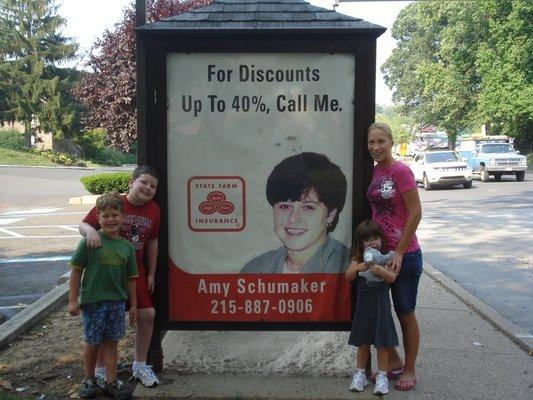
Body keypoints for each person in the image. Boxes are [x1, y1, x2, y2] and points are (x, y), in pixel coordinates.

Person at [79, 165, 160, 387]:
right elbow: (84, 224)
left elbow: (152, 241)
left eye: (153, 186)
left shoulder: (153, 209)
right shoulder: (116, 203)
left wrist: (152, 272)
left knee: (147, 314)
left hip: (135, 271)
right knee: (103, 321)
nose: (148, 188)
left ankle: (140, 364)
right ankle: (100, 371)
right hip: (106, 271)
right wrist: (92, 231)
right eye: (143, 182)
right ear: (131, 183)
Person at [366, 122, 423, 391]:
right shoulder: (376, 172)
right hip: (378, 256)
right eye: (371, 142)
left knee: (405, 312)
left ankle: (410, 369)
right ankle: (396, 361)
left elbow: (415, 213)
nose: (376, 147)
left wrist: (399, 251)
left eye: (381, 142)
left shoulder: (401, 171)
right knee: (380, 313)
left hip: (405, 255)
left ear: (391, 142)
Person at [69, 192, 137, 399]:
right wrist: (73, 300)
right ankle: (90, 379)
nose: (110, 219)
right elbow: (76, 271)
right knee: (93, 342)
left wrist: (133, 305)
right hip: (93, 302)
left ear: (122, 217)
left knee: (112, 342)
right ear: (97, 218)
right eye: (105, 215)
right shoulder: (90, 241)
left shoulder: (126, 246)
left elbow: (131, 279)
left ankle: (111, 381)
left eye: (115, 214)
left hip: (116, 303)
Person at [241, 152, 351, 274]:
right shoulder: (255, 269)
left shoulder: (346, 266)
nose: (293, 218)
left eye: (308, 207)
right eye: (284, 206)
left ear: (330, 214)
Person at [345, 219, 398, 395]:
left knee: (382, 344)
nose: (372, 243)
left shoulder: (386, 258)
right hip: (364, 309)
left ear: (382, 240)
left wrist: (382, 272)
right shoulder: (358, 258)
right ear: (361, 244)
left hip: (381, 309)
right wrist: (359, 266)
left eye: (375, 238)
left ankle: (382, 376)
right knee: (363, 343)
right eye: (367, 240)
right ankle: (360, 374)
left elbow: (391, 278)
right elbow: (349, 276)